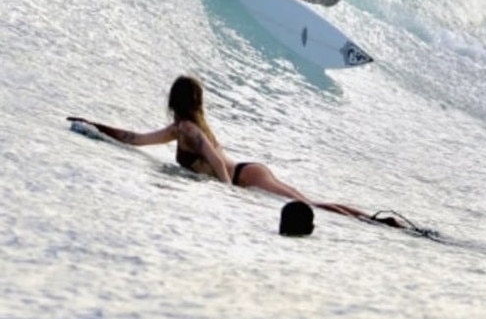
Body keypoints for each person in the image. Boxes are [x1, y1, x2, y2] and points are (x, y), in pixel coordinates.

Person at [68, 75, 375, 222]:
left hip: (245, 177)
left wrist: (228, 193)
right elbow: (134, 138)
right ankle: (373, 219)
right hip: (250, 171)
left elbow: (213, 159)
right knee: (310, 202)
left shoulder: (185, 128)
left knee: (312, 206)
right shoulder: (191, 126)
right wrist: (96, 126)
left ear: (174, 101)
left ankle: (372, 220)